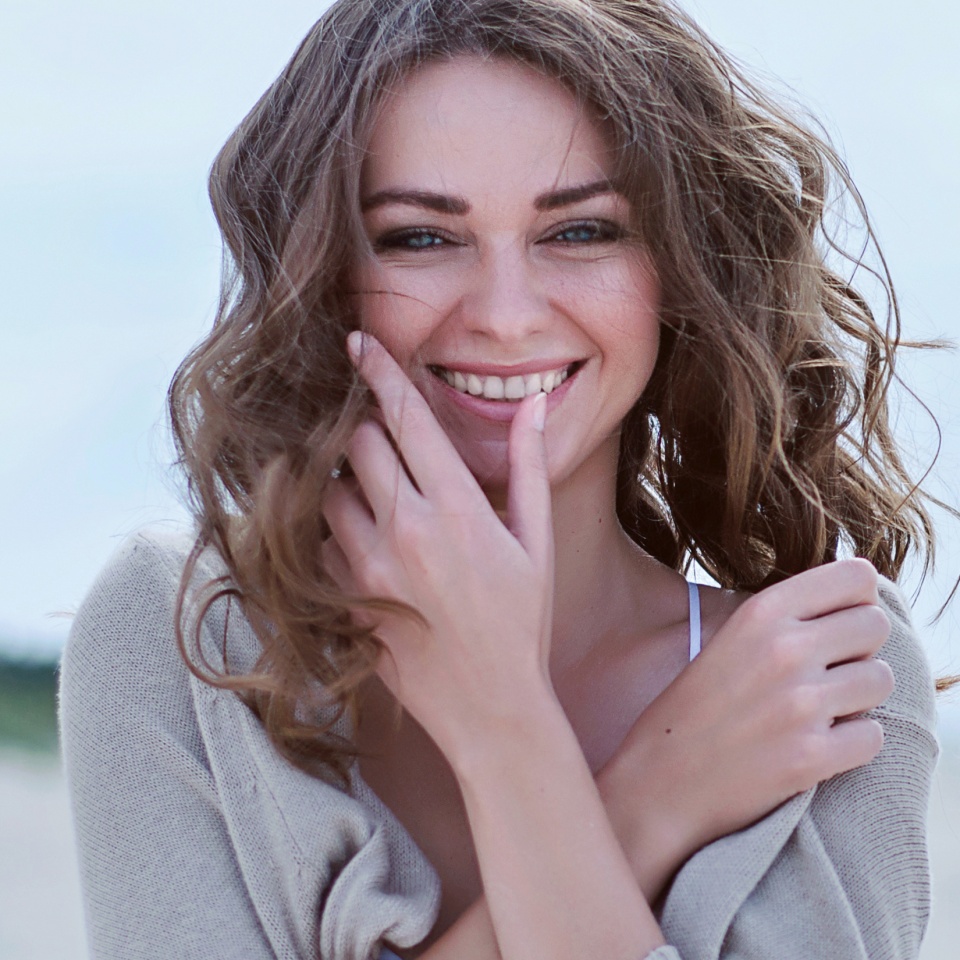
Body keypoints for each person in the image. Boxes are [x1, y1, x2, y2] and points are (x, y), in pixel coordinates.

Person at [59, 1, 946, 958]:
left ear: (679, 267)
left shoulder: (818, 668)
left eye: (581, 232)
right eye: (419, 238)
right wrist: (633, 794)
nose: (508, 317)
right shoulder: (186, 631)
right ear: (323, 273)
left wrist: (510, 733)